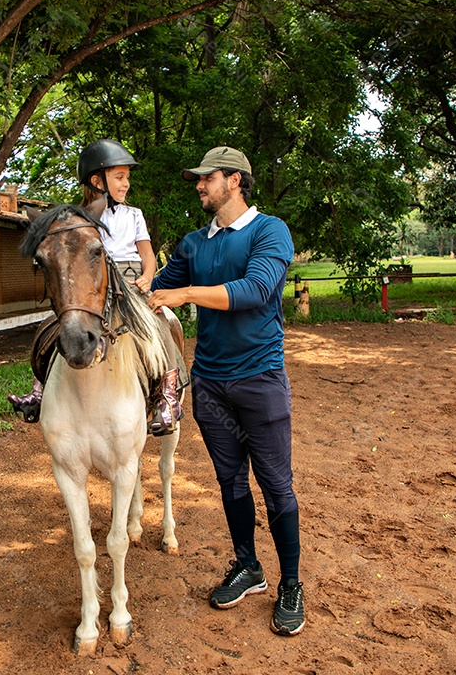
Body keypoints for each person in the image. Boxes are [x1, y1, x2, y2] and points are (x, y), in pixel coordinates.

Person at [147, 146, 304, 636]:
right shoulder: (194, 243)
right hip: (210, 385)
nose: (199, 185)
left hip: (259, 380)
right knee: (231, 481)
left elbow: (257, 290)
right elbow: (153, 286)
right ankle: (248, 568)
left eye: (206, 178)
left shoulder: (268, 231)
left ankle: (292, 584)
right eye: (197, 178)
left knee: (276, 484)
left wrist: (188, 294)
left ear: (234, 180)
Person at [9, 139, 185, 434]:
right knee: (53, 323)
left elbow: (147, 255)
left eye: (127, 177)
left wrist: (148, 277)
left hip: (129, 282)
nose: (126, 183)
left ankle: (168, 394)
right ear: (96, 179)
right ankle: (39, 389)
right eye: (120, 177)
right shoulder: (76, 217)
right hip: (93, 282)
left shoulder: (134, 215)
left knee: (158, 322)